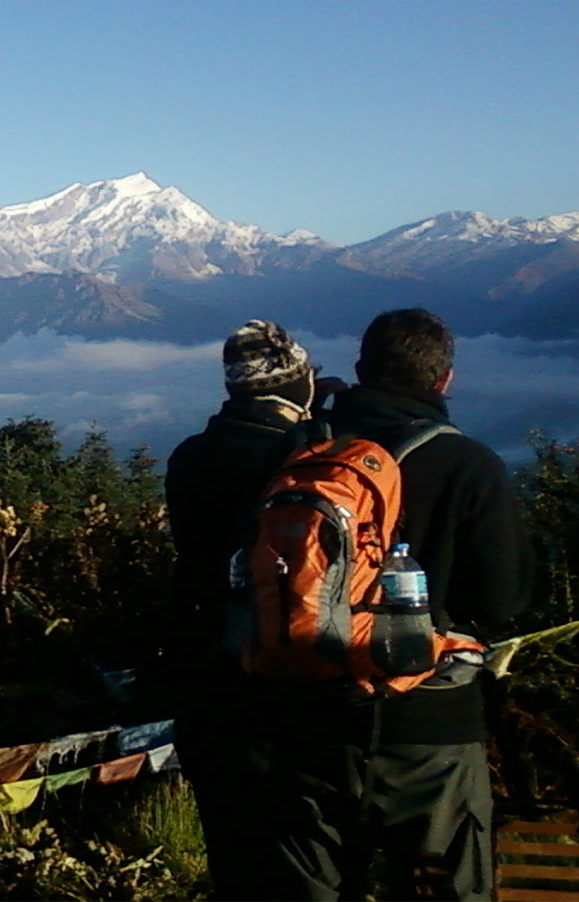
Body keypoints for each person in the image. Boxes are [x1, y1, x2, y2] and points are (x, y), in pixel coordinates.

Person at [263, 308, 536, 901]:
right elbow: (501, 600)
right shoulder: (468, 465)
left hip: (307, 714)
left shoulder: (295, 456)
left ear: (359, 371)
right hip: (430, 728)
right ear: (444, 381)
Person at [165, 318, 335, 900]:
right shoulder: (306, 457)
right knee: (301, 850)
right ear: (294, 387)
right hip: (290, 671)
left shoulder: (191, 456)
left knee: (232, 846)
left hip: (206, 671)